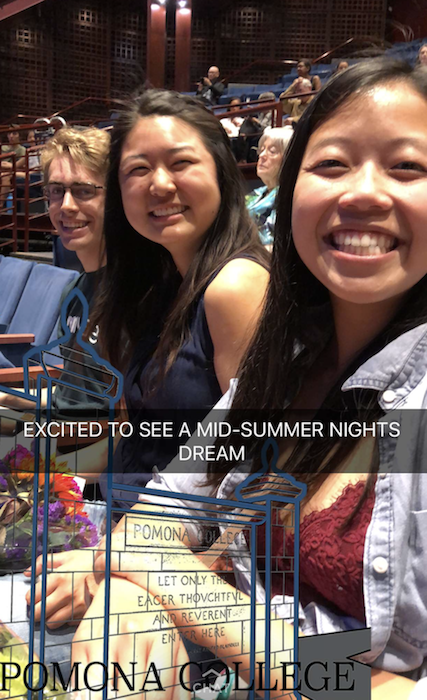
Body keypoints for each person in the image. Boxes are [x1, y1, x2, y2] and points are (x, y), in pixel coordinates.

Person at [74, 58, 427, 699]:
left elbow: (398, 688)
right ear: (290, 195)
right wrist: (127, 593)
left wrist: (183, 594)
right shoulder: (286, 362)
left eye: (407, 167)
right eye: (331, 165)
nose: (366, 192)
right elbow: (159, 515)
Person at [90, 88, 269, 509]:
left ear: (221, 171)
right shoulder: (159, 282)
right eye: (137, 169)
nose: (160, 184)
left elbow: (249, 461)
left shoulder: (235, 285)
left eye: (181, 163)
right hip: (115, 525)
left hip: (167, 551)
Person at [245, 126, 293, 246]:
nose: (262, 156)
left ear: (288, 159)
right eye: (261, 150)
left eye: (272, 151)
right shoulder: (256, 193)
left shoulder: (288, 196)